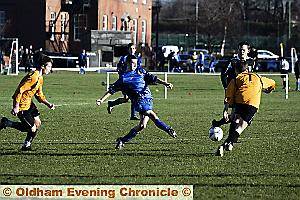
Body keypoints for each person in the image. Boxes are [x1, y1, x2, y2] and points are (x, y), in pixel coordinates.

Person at [96, 55, 176, 149]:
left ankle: (122, 140)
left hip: (148, 98)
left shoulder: (140, 71)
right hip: (138, 102)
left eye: (135, 63)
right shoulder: (124, 78)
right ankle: (168, 129)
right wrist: (101, 100)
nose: (134, 65)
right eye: (132, 63)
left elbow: (153, 78)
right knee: (151, 114)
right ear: (127, 63)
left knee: (142, 126)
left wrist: (165, 83)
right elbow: (112, 90)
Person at [215, 60, 276, 157]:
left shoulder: (235, 79)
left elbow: (228, 96)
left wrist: (225, 110)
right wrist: (269, 89)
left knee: (236, 119)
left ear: (236, 71)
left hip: (240, 102)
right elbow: (272, 82)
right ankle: (225, 145)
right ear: (247, 69)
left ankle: (221, 130)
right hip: (252, 104)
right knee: (240, 127)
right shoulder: (258, 77)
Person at [0, 53, 55, 151]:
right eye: (49, 66)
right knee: (31, 128)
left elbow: (39, 95)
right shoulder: (33, 76)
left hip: (29, 103)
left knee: (37, 123)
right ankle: (7, 123)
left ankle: (26, 144)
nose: (50, 69)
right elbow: (20, 90)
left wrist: (48, 104)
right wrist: (16, 106)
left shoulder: (40, 78)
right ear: (43, 66)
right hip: (22, 105)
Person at [213, 41, 252, 128]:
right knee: (236, 115)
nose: (241, 52)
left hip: (246, 91)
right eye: (240, 50)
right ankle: (231, 136)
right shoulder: (232, 61)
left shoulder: (251, 61)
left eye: (243, 50)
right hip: (234, 91)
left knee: (237, 115)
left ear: (248, 51)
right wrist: (226, 87)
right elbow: (223, 74)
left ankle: (218, 124)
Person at [107, 43, 140, 120]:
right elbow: (119, 68)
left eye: (133, 48)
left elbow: (137, 69)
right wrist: (122, 75)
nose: (131, 50)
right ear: (128, 50)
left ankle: (112, 103)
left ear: (135, 49)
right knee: (130, 97)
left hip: (133, 79)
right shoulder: (124, 58)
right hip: (125, 80)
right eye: (130, 48)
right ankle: (133, 115)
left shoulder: (137, 58)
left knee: (129, 97)